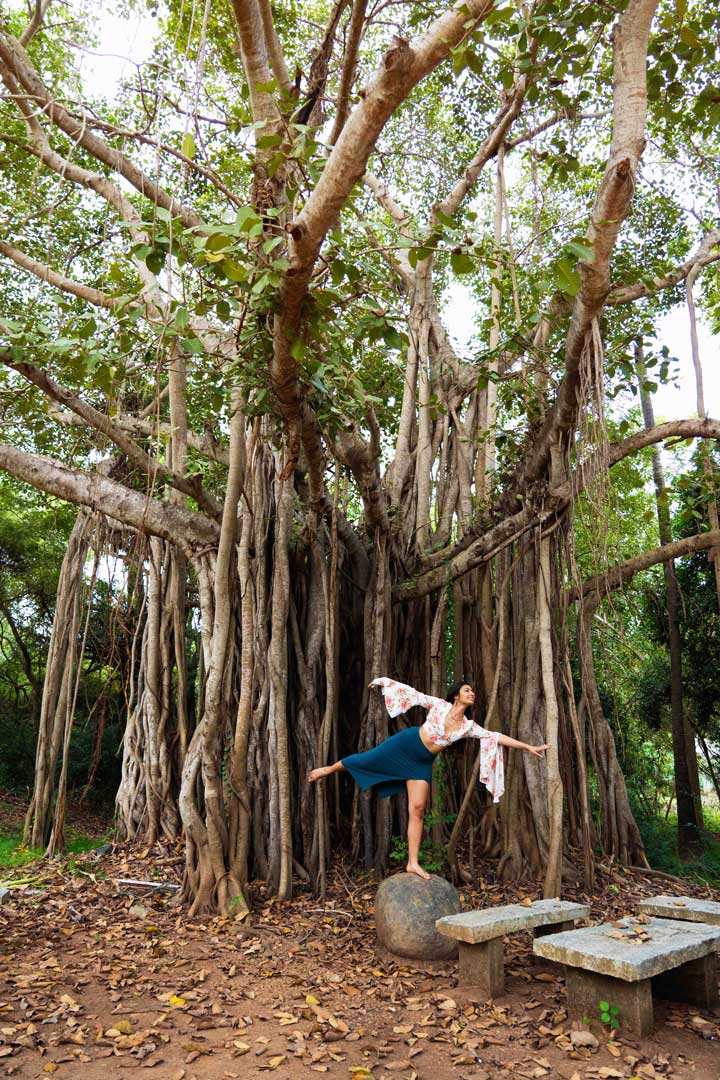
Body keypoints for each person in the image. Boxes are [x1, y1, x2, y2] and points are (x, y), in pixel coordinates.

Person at [308, 677, 550, 880]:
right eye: (467, 690)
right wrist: (383, 682)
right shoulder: (439, 706)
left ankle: (412, 862)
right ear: (456, 695)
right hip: (406, 745)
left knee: (418, 809)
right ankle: (328, 769)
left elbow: (495, 736)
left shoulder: (468, 726)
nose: (472, 693)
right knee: (365, 760)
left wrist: (528, 747)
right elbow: (413, 694)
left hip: (422, 763)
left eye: (472, 691)